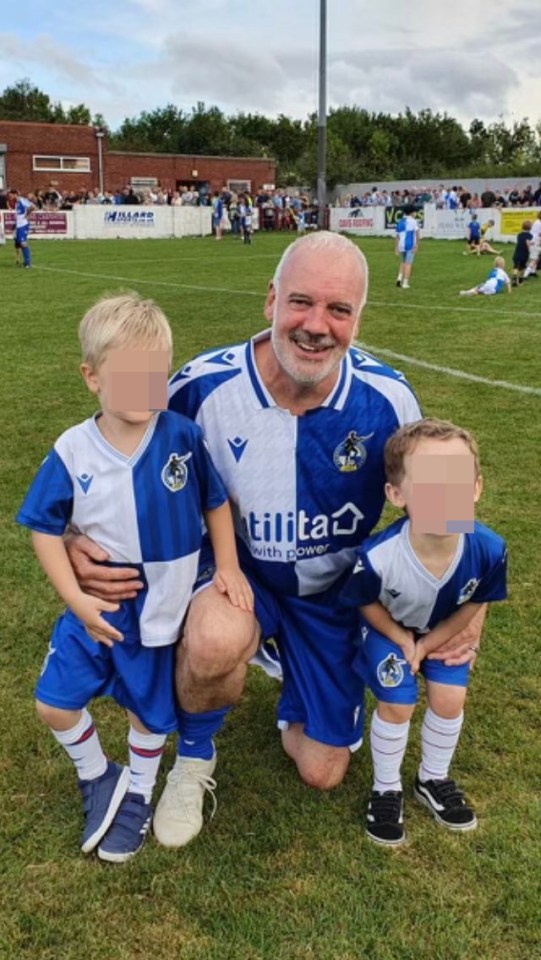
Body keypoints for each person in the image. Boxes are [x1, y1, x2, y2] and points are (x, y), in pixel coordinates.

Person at [66, 233, 484, 851]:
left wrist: (464, 601)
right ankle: (194, 761)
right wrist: (74, 534)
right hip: (237, 577)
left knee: (323, 771)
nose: (317, 326)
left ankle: (302, 681)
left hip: (333, 595)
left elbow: (435, 505)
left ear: (358, 318)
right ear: (270, 301)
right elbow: (105, 453)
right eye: (301, 302)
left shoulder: (388, 399)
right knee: (214, 640)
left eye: (338, 310)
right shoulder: (200, 388)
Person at [16, 293, 252, 863]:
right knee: (54, 703)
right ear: (91, 377)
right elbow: (44, 529)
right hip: (96, 606)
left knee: (146, 714)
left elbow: (215, 502)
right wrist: (74, 598)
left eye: (155, 374)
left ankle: (140, 792)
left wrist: (226, 565)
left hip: (160, 608)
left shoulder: (180, 436)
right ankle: (99, 777)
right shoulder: (73, 450)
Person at [339, 418, 507, 845]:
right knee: (398, 702)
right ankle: (386, 786)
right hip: (387, 630)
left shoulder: (489, 549)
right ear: (397, 495)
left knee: (450, 697)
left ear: (476, 488)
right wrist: (400, 638)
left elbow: (473, 602)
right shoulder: (379, 557)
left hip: (439, 632)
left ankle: (432, 778)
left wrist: (431, 644)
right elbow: (365, 602)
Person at [9, 188, 36, 268]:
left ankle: (28, 263)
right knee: (20, 243)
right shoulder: (17, 203)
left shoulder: (21, 200)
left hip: (23, 225)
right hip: (19, 226)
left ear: (15, 194)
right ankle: (26, 262)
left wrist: (27, 215)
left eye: (11, 195)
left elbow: (33, 206)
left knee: (23, 243)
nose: (10, 197)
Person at [395, 206, 419, 289]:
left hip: (401, 244)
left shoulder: (400, 221)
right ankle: (405, 282)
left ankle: (399, 278)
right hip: (409, 244)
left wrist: (396, 247)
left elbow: (397, 235)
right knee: (408, 264)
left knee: (403, 262)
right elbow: (417, 233)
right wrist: (417, 245)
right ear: (412, 212)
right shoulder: (413, 221)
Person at [511, 220, 532, 286]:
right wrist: (529, 249)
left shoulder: (519, 235)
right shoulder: (529, 235)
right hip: (524, 254)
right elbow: (527, 242)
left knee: (515, 266)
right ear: (530, 227)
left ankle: (514, 279)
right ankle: (520, 281)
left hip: (517, 253)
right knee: (522, 267)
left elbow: (521, 241)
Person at [522, 210, 541, 280]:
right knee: (534, 259)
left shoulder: (537, 221)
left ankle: (532, 272)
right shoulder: (539, 223)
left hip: (533, 241)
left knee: (535, 258)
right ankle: (526, 274)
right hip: (535, 242)